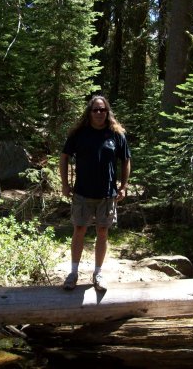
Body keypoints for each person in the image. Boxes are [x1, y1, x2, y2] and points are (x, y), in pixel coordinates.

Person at [59, 95, 131, 291]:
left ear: (108, 112)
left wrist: (123, 186)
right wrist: (65, 184)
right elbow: (64, 156)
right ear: (89, 112)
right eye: (96, 110)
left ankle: (98, 273)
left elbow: (126, 160)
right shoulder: (79, 134)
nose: (99, 113)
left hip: (107, 195)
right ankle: (73, 273)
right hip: (82, 192)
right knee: (79, 230)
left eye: (103, 110)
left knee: (102, 232)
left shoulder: (116, 134)